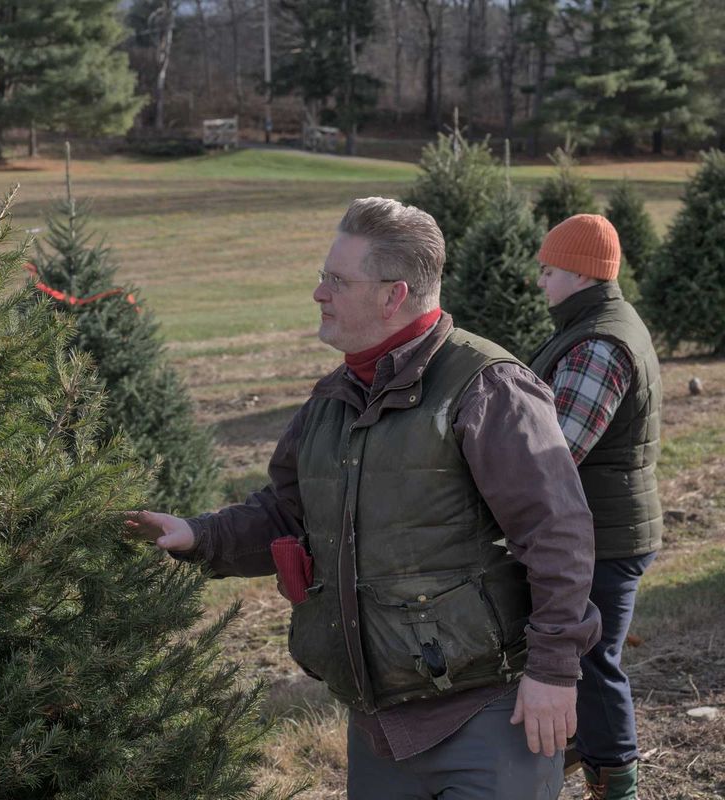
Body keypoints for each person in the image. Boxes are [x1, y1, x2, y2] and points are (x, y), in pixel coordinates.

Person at [127, 197, 600, 800]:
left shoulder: (487, 389)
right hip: (380, 725)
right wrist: (200, 536)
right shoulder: (333, 400)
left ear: (392, 295)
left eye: (335, 280)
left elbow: (557, 533)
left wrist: (554, 670)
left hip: (489, 712)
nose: (319, 293)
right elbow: (287, 513)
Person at [530, 214, 662, 800]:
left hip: (605, 534)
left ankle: (616, 785)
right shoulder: (592, 324)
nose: (540, 282)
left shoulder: (598, 345)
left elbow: (555, 451)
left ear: (579, 274)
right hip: (602, 527)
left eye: (548, 270)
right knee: (586, 658)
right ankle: (572, 756)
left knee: (592, 663)